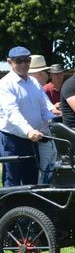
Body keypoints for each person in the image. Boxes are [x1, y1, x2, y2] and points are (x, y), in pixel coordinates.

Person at [0, 46, 55, 186]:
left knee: (32, 181)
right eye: (18, 61)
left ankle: (27, 208)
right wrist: (29, 130)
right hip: (13, 141)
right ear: (9, 62)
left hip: (34, 139)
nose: (23, 64)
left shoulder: (34, 82)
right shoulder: (5, 84)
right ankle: (10, 208)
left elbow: (44, 108)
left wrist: (54, 122)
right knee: (12, 181)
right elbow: (12, 112)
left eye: (26, 60)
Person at [28, 55, 60, 184]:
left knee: (49, 167)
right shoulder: (37, 89)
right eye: (45, 72)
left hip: (46, 136)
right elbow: (51, 111)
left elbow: (51, 111)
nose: (47, 75)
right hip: (39, 137)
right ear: (40, 74)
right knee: (44, 171)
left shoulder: (38, 89)